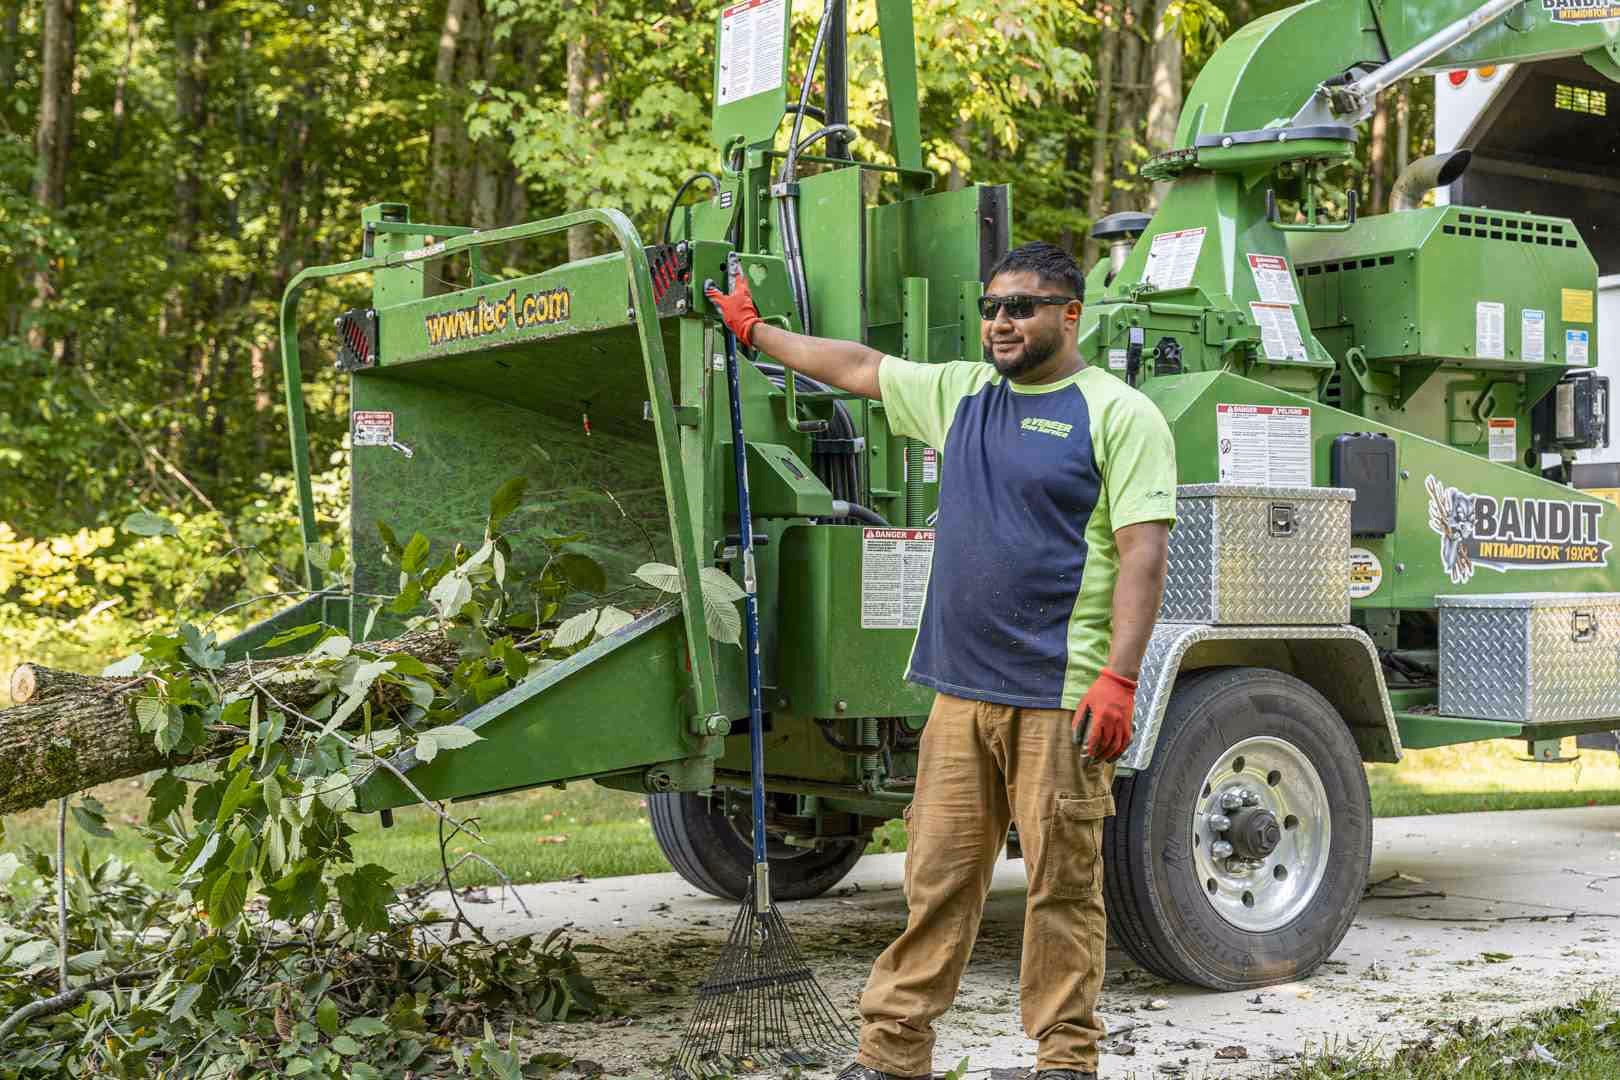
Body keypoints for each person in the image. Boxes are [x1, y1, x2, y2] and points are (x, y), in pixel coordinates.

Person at [705, 241, 1176, 1080]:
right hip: (959, 693)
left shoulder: (1118, 413)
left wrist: (1120, 677)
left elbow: (1144, 553)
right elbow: (857, 367)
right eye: (991, 307)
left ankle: (1065, 1061)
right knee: (937, 882)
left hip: (1059, 695)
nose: (1001, 322)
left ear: (1070, 315)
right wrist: (756, 333)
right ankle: (892, 1055)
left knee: (1062, 889)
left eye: (1021, 307)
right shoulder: (963, 396)